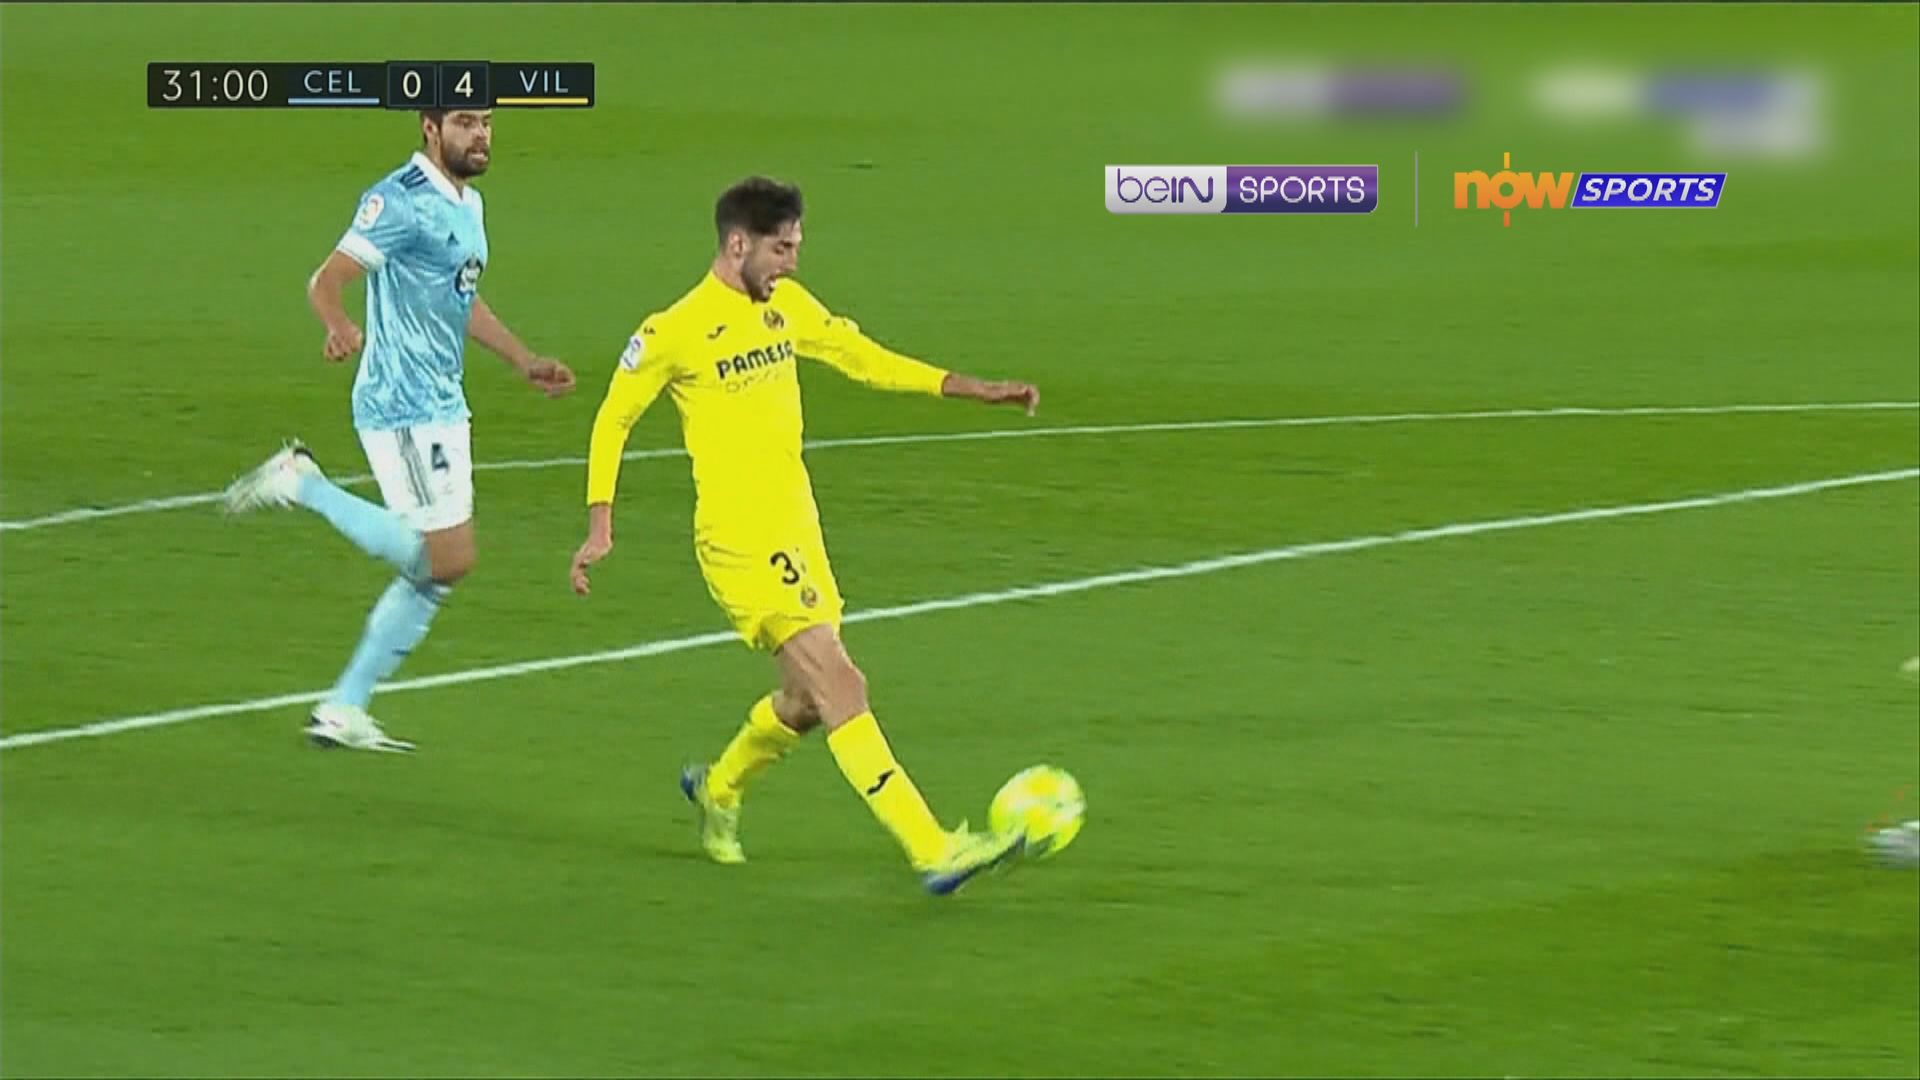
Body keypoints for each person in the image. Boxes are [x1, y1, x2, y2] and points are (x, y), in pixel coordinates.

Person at [570, 176, 1041, 895]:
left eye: (795, 247)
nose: (791, 262)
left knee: (807, 700)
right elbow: (614, 418)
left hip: (797, 526)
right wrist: (600, 523)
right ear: (738, 245)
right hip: (738, 539)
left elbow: (862, 357)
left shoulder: (785, 307)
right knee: (843, 681)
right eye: (781, 249)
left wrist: (970, 387)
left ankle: (719, 789)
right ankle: (933, 848)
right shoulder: (674, 330)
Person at [224, 108, 576, 752]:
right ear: (430, 128)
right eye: (465, 122)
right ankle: (302, 483)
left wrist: (522, 359)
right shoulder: (398, 200)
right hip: (402, 403)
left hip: (443, 402)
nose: (480, 135)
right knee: (448, 559)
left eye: (487, 122)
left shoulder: (468, 204)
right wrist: (338, 324)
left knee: (438, 570)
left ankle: (344, 707)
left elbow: (459, 298)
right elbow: (327, 279)